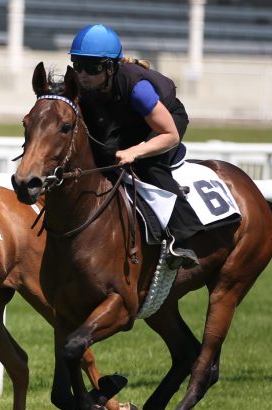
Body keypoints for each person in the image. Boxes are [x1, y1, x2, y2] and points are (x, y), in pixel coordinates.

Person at [68, 23, 205, 269]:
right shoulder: (85, 85)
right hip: (126, 119)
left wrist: (136, 151)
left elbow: (170, 135)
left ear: (110, 68)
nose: (83, 75)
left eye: (92, 68)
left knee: (149, 164)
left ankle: (183, 236)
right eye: (77, 66)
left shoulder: (137, 88)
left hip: (165, 121)